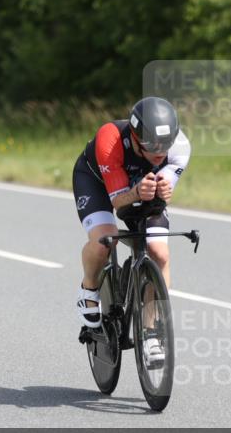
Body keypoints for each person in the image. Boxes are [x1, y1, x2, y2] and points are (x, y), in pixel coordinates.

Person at [72, 97, 191, 362]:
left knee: (159, 253)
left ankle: (152, 332)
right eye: (151, 146)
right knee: (105, 241)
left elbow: (161, 193)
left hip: (139, 186)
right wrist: (136, 192)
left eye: (165, 145)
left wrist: (162, 191)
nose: (159, 152)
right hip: (96, 182)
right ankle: (89, 288)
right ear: (136, 138)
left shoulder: (180, 146)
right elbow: (118, 203)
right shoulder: (110, 139)